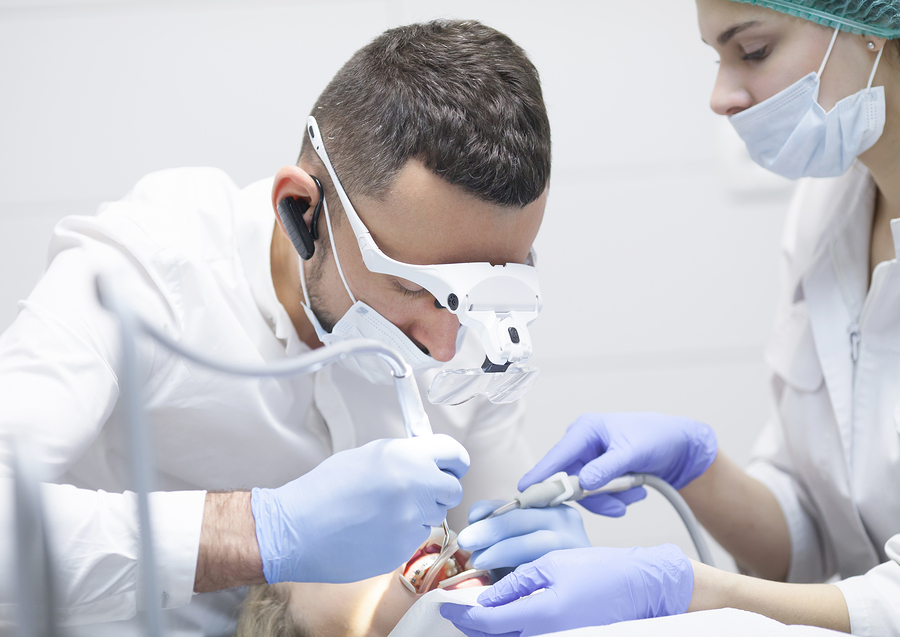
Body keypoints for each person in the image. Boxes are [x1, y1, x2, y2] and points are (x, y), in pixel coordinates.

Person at [0, 19, 586, 636]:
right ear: (301, 211)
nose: (446, 345)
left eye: (488, 294)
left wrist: (549, 569)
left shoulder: (470, 341)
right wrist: (259, 529)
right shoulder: (143, 272)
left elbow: (491, 575)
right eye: (415, 289)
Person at [441, 1, 900, 636]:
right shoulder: (826, 213)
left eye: (755, 51)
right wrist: (696, 469)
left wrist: (688, 592)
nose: (720, 95)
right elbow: (815, 536)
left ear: (872, 30)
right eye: (718, 57)